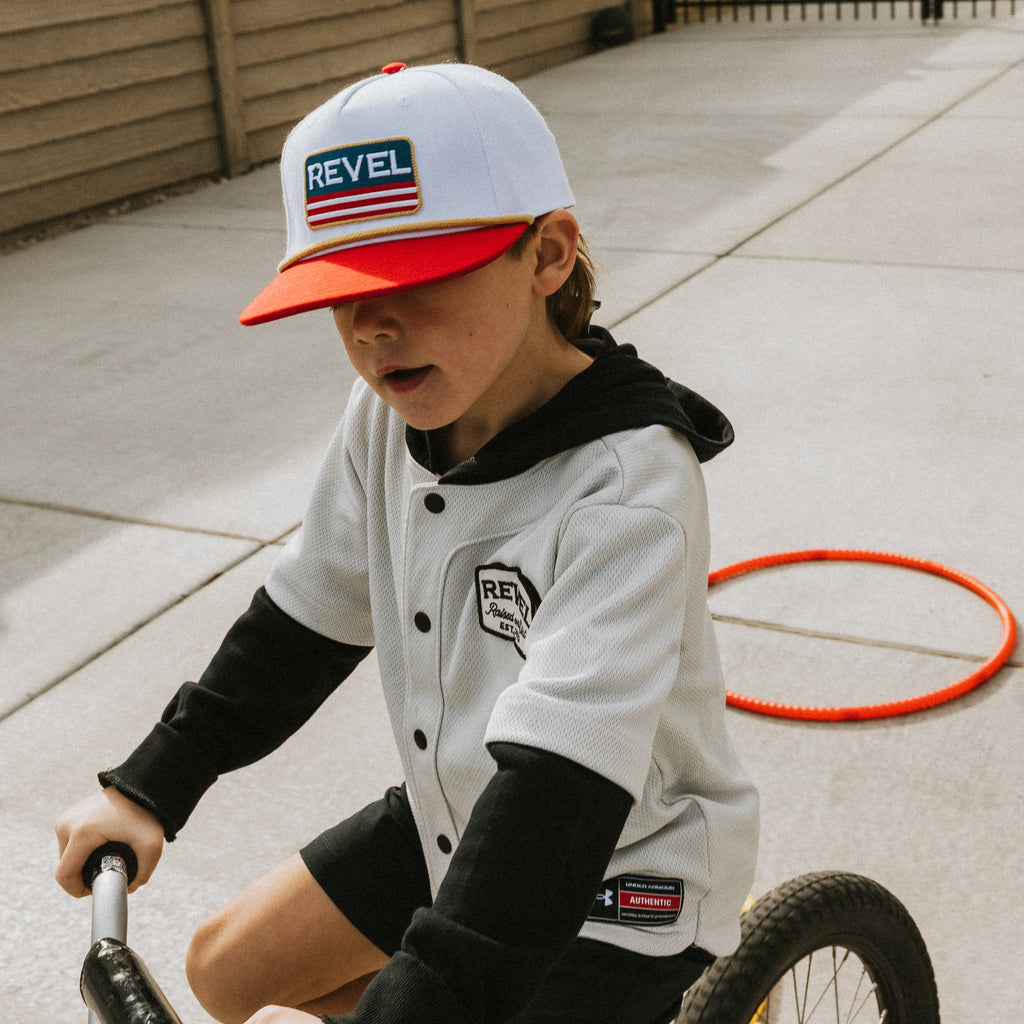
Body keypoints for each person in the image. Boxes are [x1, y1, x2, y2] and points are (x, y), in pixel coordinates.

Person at [55, 62, 759, 1024]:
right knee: (223, 970)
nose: (373, 328)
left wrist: (430, 993)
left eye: (418, 278)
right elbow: (309, 615)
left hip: (615, 869)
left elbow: (561, 784)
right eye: (341, 290)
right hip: (458, 816)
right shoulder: (387, 419)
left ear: (548, 254)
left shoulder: (628, 487)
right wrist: (151, 786)